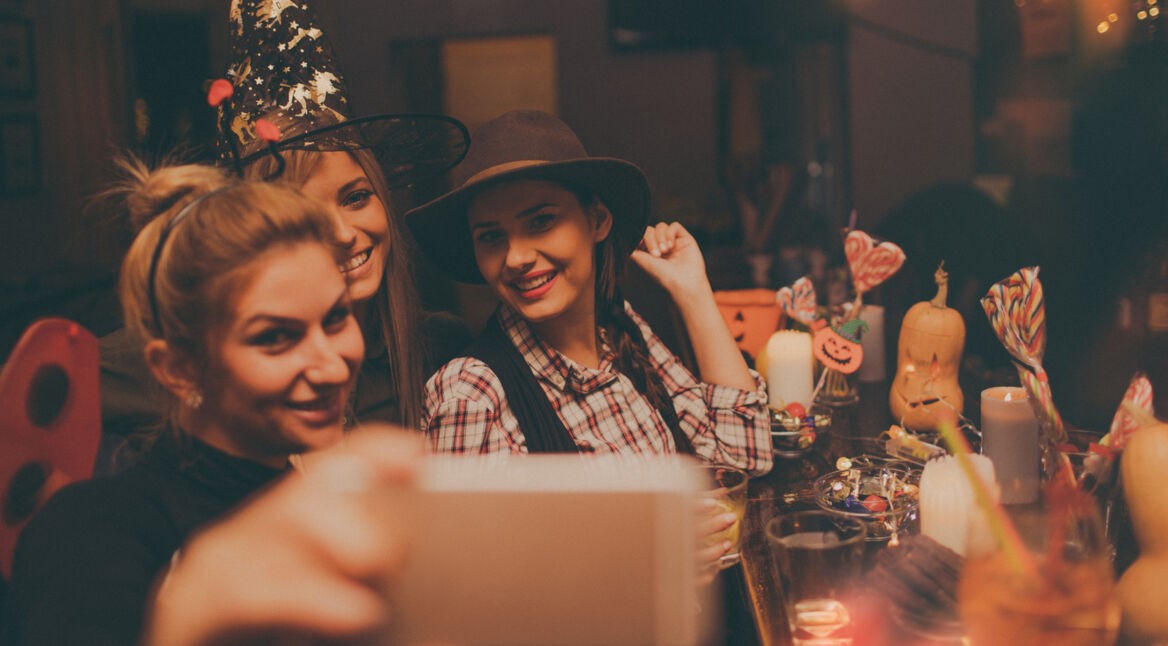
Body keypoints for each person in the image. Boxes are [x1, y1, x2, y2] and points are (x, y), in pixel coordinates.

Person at [1, 159, 366, 645]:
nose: (333, 366)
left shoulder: (322, 512)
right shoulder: (91, 533)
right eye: (276, 337)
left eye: (336, 318)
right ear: (179, 369)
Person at [97, 0, 470, 448]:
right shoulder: (201, 357)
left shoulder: (441, 347)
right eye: (303, 214)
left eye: (356, 198)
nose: (342, 232)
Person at [407, 110, 773, 477]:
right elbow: (467, 537)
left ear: (597, 220)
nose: (515, 258)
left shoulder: (621, 328)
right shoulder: (471, 394)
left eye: (541, 222)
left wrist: (693, 291)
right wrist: (657, 531)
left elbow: (741, 461)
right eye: (491, 236)